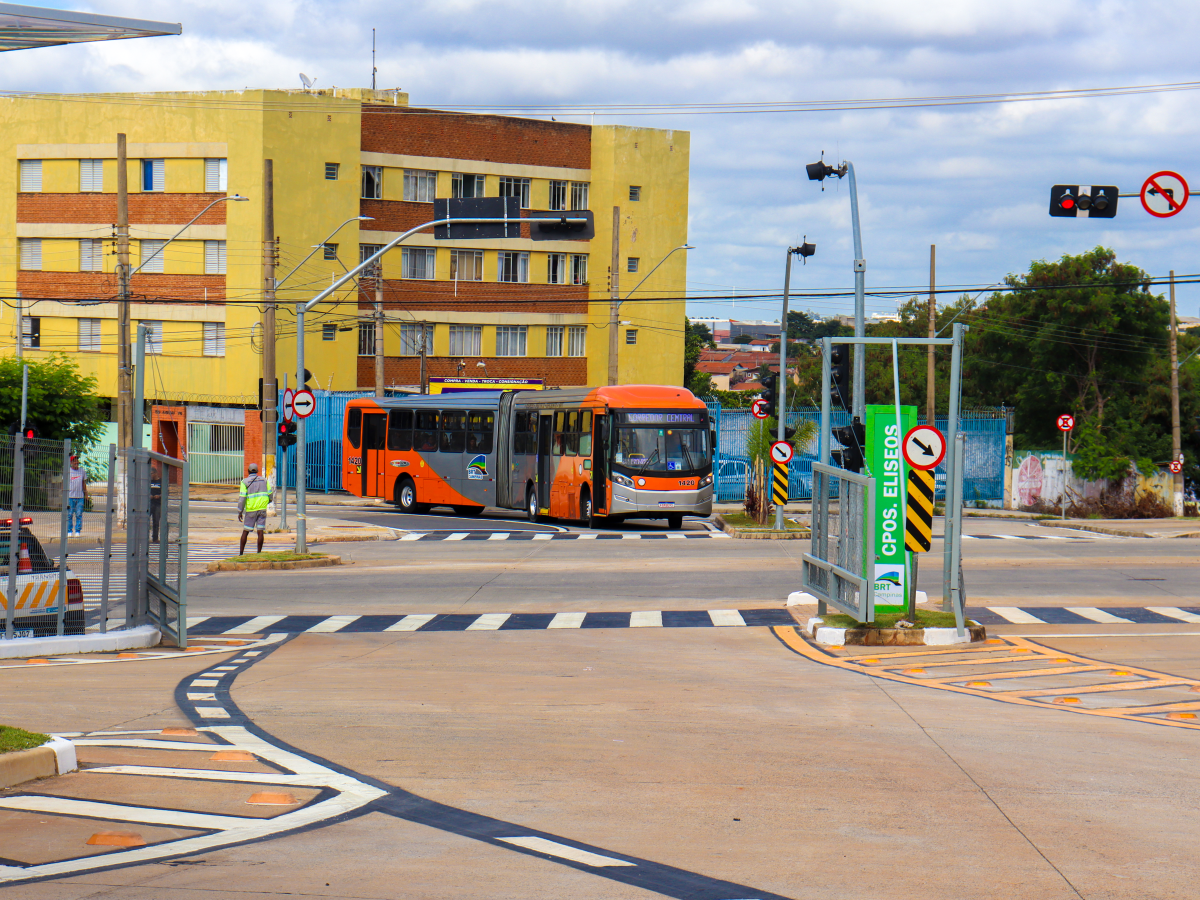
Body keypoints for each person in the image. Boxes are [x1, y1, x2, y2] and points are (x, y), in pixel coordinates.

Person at [239, 463, 270, 554]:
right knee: (260, 532)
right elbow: (270, 494)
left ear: (248, 471)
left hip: (251, 510)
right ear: (257, 471)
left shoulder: (244, 482)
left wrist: (240, 511)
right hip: (262, 509)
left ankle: (241, 553)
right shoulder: (264, 481)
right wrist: (268, 501)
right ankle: (259, 553)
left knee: (246, 531)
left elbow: (242, 498)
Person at [67, 456, 88, 537]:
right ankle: (69, 531)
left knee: (79, 514)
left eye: (77, 461)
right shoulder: (68, 471)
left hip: (80, 497)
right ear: (71, 463)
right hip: (70, 496)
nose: (76, 462)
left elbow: (83, 483)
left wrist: (86, 494)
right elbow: (64, 483)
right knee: (70, 514)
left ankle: (77, 531)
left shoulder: (82, 471)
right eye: (74, 461)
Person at [149, 460, 162, 544]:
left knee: (156, 521)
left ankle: (155, 538)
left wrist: (159, 496)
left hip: (158, 504)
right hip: (150, 503)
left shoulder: (161, 482)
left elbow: (165, 492)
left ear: (155, 473)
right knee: (146, 520)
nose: (150, 476)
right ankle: (144, 537)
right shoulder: (148, 482)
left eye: (151, 474)